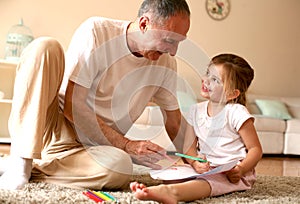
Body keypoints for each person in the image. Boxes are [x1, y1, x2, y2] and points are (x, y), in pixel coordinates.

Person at [0, 0, 190, 190]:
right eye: (169, 40)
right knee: (45, 47)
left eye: (179, 43)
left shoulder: (165, 65)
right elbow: (71, 106)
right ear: (143, 24)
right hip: (53, 130)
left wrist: (196, 159)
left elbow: (174, 122)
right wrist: (126, 144)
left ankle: (33, 168)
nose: (173, 52)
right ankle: (21, 163)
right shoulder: (97, 31)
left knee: (121, 167)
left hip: (94, 149)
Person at [130, 53, 263, 203]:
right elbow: (189, 147)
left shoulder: (236, 112)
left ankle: (172, 193)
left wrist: (241, 169)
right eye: (207, 74)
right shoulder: (196, 110)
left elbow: (255, 149)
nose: (206, 80)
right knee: (171, 176)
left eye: (215, 80)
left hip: (232, 173)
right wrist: (194, 163)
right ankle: (173, 187)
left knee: (207, 183)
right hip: (207, 168)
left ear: (232, 94)